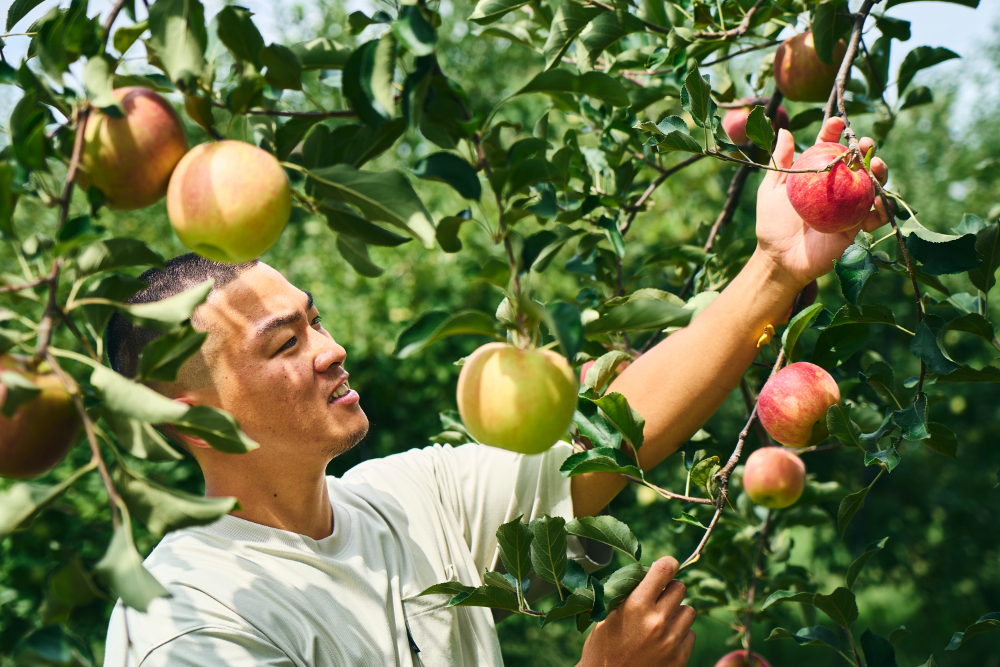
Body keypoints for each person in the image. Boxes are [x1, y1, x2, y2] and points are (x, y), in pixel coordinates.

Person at [102, 119, 888, 667]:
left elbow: (605, 442)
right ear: (190, 414)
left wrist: (776, 268)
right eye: (286, 341)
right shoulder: (189, 610)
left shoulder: (400, 502)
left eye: (318, 320)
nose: (332, 349)